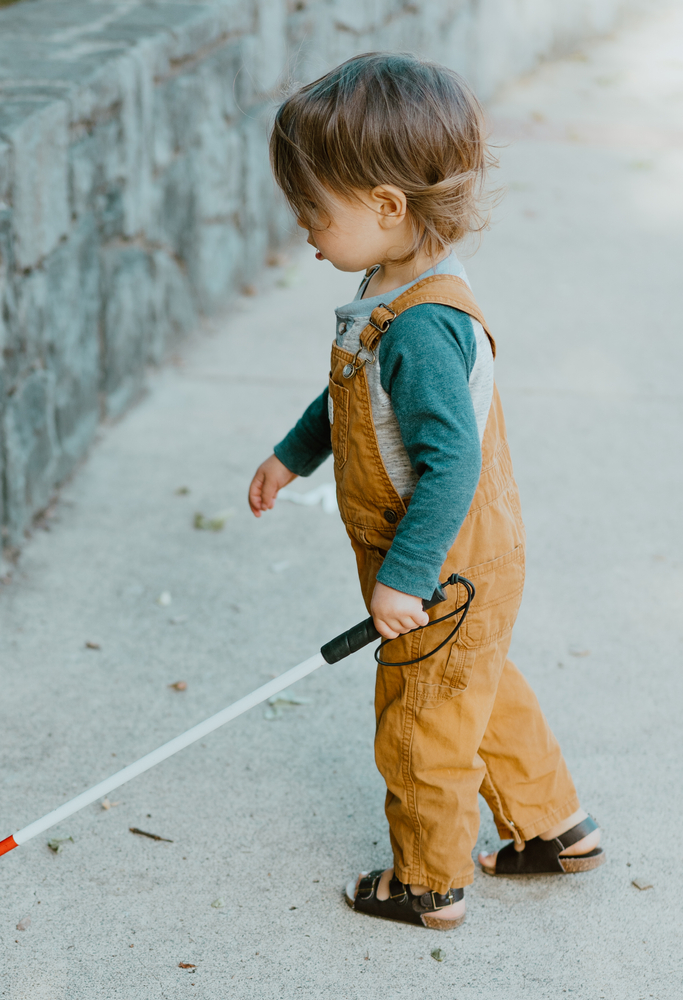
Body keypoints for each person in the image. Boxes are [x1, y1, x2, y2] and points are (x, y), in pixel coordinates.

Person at [246, 53, 604, 930]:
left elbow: (451, 469)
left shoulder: (424, 330)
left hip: (441, 563)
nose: (303, 230)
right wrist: (294, 455)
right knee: (477, 687)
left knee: (421, 723)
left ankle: (427, 883)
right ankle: (555, 826)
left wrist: (404, 576)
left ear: (385, 207)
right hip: (470, 566)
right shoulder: (390, 289)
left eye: (313, 212)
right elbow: (350, 397)